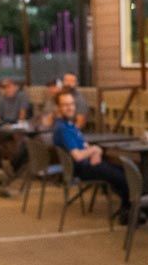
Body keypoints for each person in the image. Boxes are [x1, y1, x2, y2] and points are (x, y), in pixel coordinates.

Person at [52, 89, 129, 218]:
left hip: (86, 166)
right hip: (83, 169)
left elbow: (84, 145)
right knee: (125, 177)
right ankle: (140, 212)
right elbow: (78, 155)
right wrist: (95, 150)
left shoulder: (68, 125)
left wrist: (94, 150)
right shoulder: (64, 129)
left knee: (124, 174)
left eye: (71, 104)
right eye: (65, 105)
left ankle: (128, 209)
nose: (69, 107)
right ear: (58, 107)